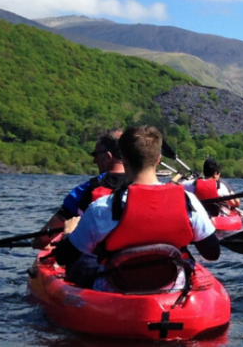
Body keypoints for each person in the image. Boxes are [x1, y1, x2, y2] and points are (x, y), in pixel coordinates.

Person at [55, 125, 219, 292]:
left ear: (124, 160)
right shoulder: (188, 201)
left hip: (116, 293)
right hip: (173, 291)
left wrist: (68, 233)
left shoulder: (101, 208)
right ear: (158, 159)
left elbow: (63, 258)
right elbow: (212, 253)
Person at [32, 130, 126, 250]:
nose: (94, 160)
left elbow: (43, 240)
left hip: (94, 262)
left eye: (96, 154)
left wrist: (36, 243)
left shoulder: (85, 190)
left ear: (108, 156)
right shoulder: (144, 184)